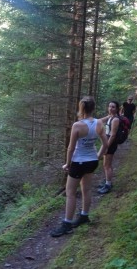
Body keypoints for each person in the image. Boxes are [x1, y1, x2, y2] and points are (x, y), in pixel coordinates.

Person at [50, 96, 108, 237]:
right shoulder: (99, 123)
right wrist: (98, 157)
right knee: (86, 190)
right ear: (93, 108)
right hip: (92, 161)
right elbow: (106, 144)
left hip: (78, 162)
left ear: (81, 108)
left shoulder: (77, 125)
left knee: (70, 193)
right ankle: (84, 216)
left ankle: (67, 224)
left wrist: (67, 164)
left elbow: (70, 148)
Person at [97, 100, 121, 195]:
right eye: (109, 106)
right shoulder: (110, 116)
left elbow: (113, 135)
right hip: (107, 143)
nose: (110, 108)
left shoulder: (115, 119)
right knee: (105, 164)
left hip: (110, 144)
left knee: (107, 165)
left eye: (113, 107)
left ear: (117, 109)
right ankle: (107, 181)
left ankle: (108, 185)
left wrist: (106, 146)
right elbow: (99, 121)